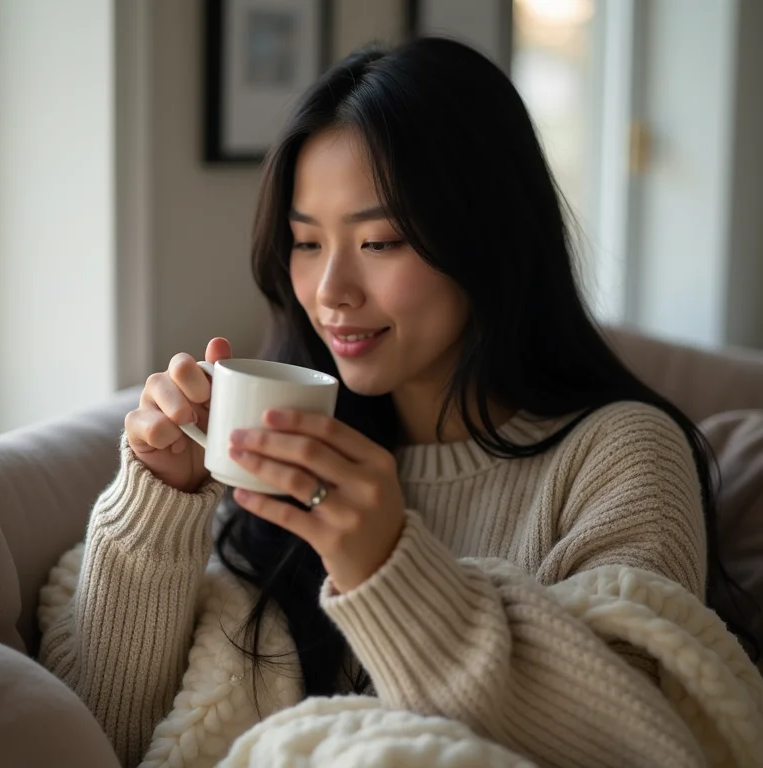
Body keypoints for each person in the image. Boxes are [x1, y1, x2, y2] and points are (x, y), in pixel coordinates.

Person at [38, 37, 755, 768]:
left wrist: (386, 568)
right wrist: (161, 499)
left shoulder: (621, 454)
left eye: (380, 242)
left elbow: (641, 742)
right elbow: (105, 737)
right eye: (306, 242)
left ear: (489, 238)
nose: (329, 293)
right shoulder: (279, 446)